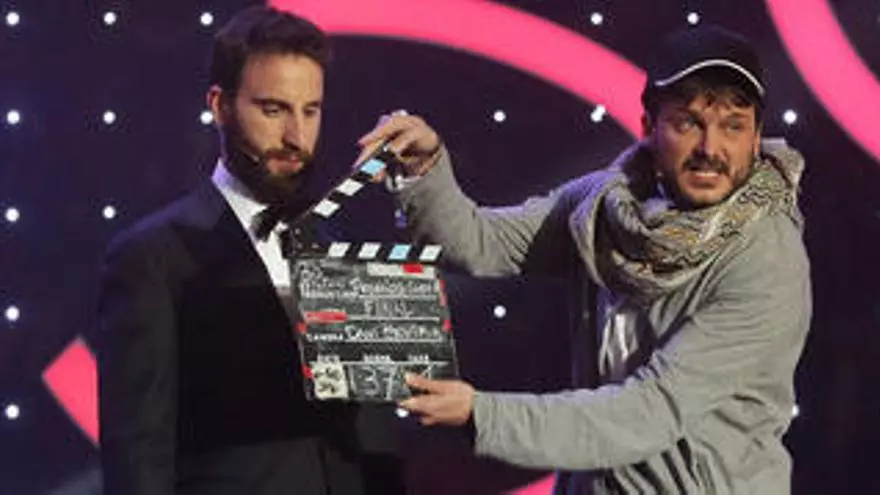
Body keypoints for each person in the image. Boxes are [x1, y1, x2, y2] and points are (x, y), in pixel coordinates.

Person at [358, 25, 811, 494]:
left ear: (756, 137)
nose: (710, 149)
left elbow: (648, 412)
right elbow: (479, 244)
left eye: (733, 126)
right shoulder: (602, 207)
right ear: (649, 127)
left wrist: (482, 413)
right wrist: (425, 168)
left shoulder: (766, 260)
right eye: (687, 123)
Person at [96, 6, 405, 495]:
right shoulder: (152, 259)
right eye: (273, 109)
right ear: (220, 106)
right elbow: (138, 454)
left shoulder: (340, 250)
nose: (296, 138)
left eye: (310, 111)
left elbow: (375, 432)